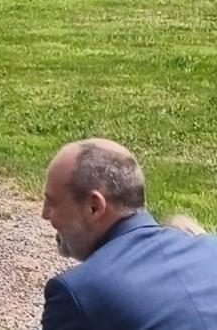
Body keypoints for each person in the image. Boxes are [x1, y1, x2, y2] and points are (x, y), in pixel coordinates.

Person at [41, 139, 217, 329]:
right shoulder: (211, 248)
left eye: (52, 202)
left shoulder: (77, 294)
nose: (45, 214)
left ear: (94, 207)